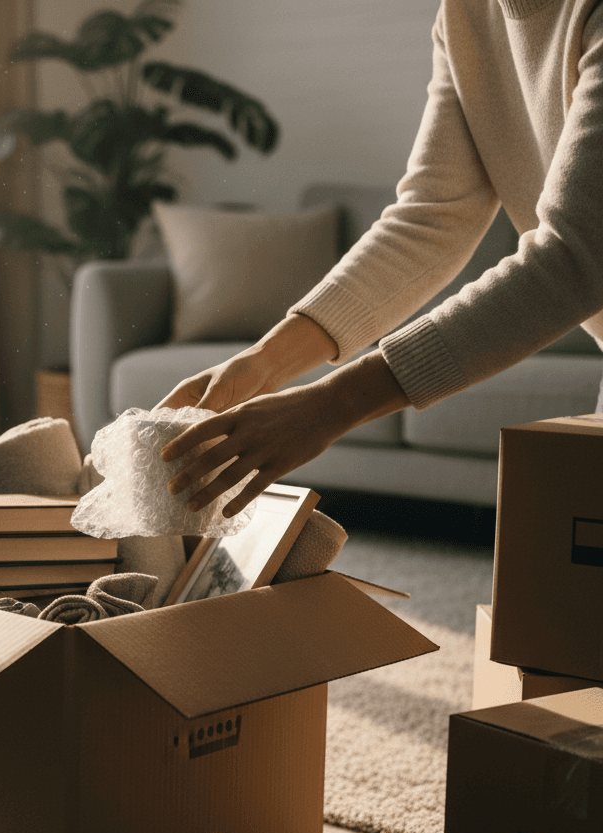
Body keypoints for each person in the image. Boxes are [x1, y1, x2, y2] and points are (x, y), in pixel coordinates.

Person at [157, 0, 603, 518]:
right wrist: (263, 363)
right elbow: (431, 217)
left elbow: (578, 256)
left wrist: (332, 404)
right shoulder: (465, 14)